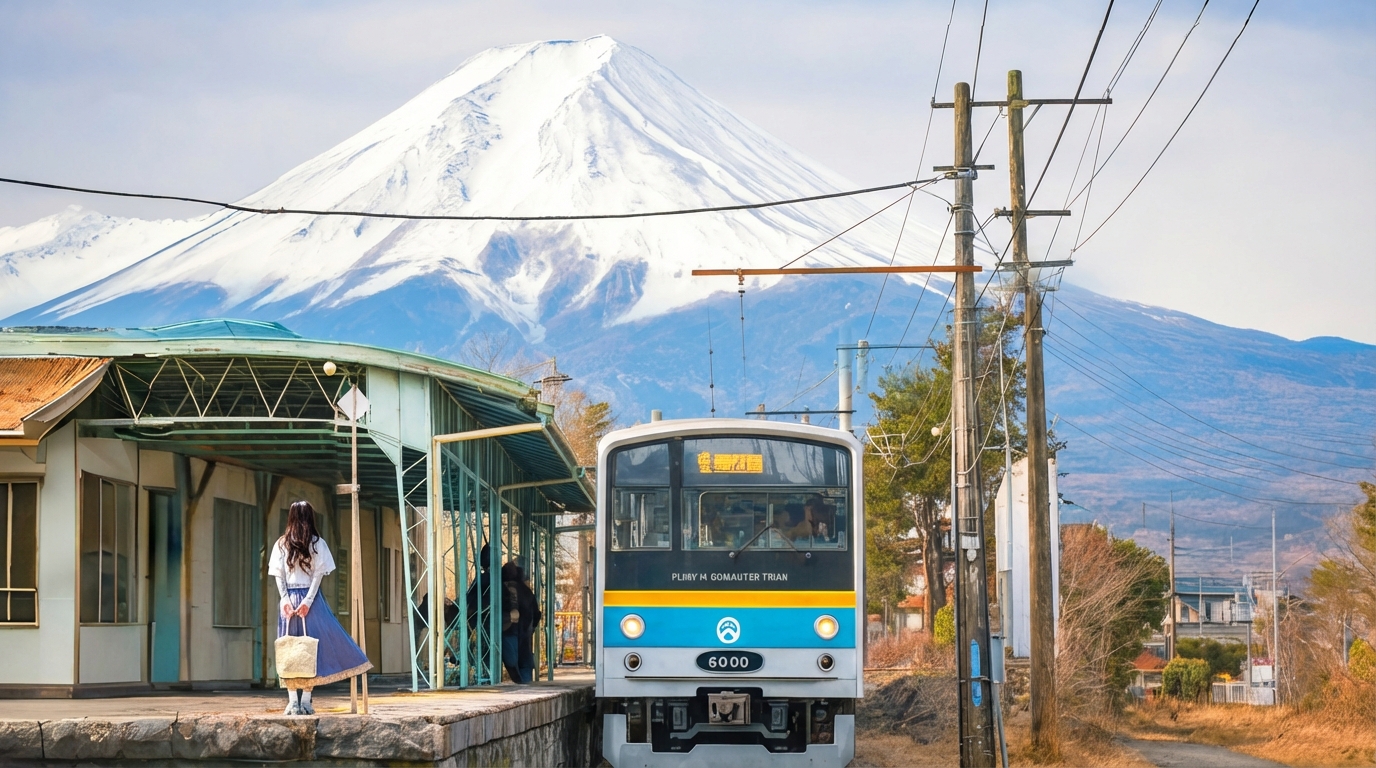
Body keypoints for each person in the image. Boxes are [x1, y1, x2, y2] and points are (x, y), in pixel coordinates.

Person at [269, 500, 372, 715]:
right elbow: (317, 576)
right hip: (312, 600)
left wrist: (286, 599)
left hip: (289, 601)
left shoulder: (281, 543)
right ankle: (305, 701)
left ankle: (293, 702)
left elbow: (279, 575)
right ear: (310, 517)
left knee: (289, 647)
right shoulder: (317, 543)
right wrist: (307, 602)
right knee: (311, 649)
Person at [467, 544, 521, 683]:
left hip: (490, 623)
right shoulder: (495, 580)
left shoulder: (487, 579)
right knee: (499, 654)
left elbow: (469, 599)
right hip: (493, 623)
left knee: (492, 653)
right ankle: (488, 676)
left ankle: (487, 675)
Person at [509, 560, 542, 683]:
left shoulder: (505, 588)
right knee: (525, 660)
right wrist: (531, 628)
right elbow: (537, 614)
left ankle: (520, 682)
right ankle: (525, 683)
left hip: (510, 631)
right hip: (525, 631)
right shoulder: (527, 591)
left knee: (513, 660)